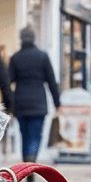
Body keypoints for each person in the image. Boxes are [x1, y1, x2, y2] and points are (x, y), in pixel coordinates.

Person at [8, 26, 60, 173]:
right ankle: (32, 163)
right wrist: (57, 103)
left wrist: (8, 104)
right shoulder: (42, 56)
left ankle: (26, 165)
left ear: (21, 38)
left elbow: (8, 81)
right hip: (38, 102)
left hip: (21, 102)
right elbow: (51, 81)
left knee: (24, 135)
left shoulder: (15, 58)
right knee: (35, 135)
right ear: (33, 38)